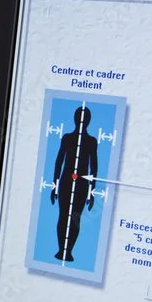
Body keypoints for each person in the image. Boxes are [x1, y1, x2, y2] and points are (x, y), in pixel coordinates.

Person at [49, 106, 98, 262]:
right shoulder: (67, 138)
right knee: (64, 215)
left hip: (81, 184)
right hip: (66, 182)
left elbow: (94, 167)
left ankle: (68, 251)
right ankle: (61, 250)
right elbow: (59, 161)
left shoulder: (92, 141)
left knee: (75, 218)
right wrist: (54, 186)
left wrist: (91, 192)